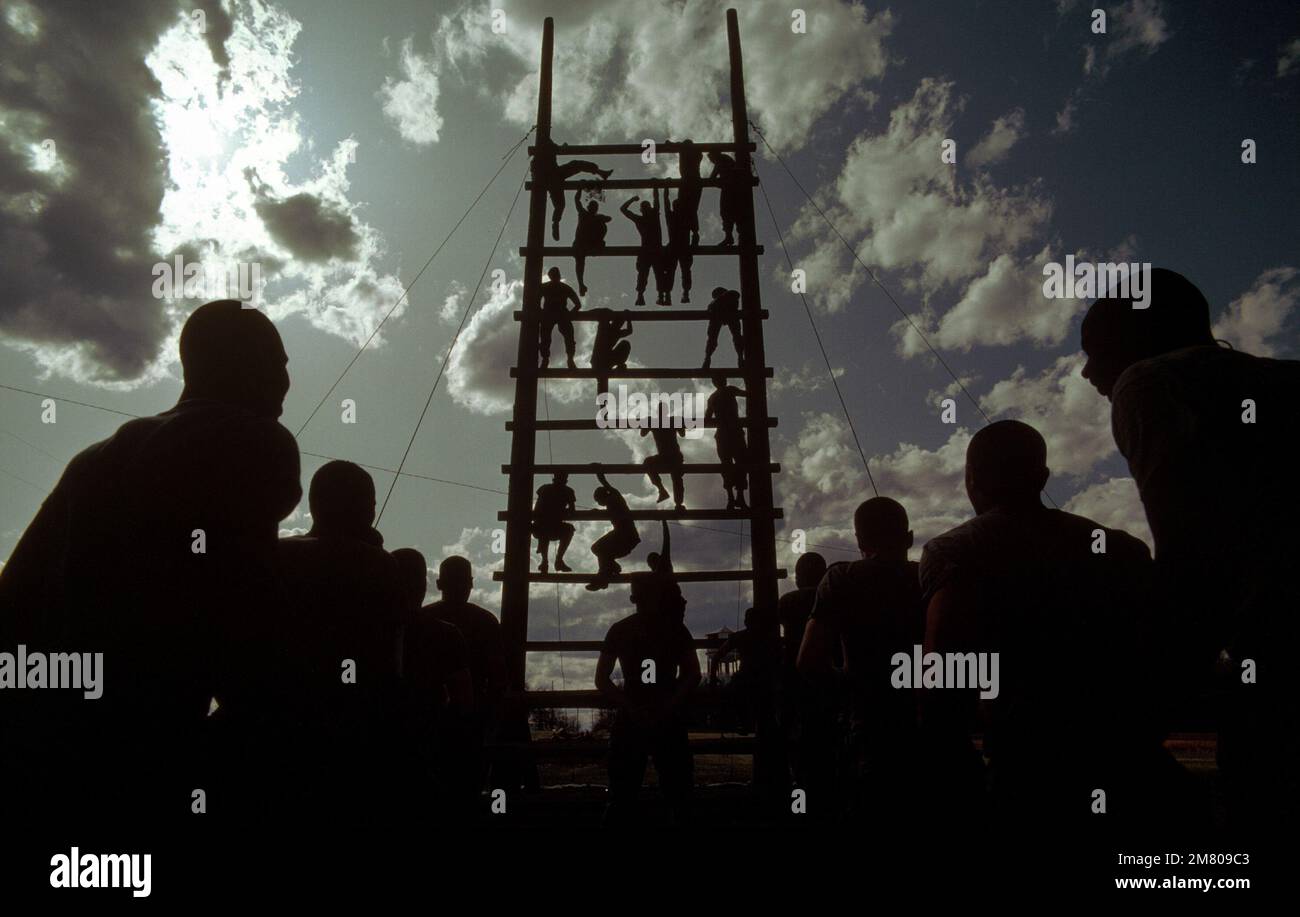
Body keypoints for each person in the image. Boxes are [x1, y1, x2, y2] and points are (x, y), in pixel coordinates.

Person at [0, 299, 301, 829]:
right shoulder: (254, 441)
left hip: (39, 749)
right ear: (237, 364)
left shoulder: (92, 460)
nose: (286, 383)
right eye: (277, 364)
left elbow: (14, 602)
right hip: (140, 753)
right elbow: (250, 622)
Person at [1081, 267, 1300, 831]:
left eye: (1094, 350)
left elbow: (1193, 571)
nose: (1086, 372)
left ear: (1138, 337)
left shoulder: (1150, 382)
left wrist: (1127, 728)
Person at [917, 421, 1186, 836]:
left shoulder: (955, 550)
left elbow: (943, 675)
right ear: (1042, 477)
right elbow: (1165, 656)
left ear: (970, 479)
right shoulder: (1124, 550)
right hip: (1134, 766)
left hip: (1028, 774)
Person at [277, 461, 407, 818]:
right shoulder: (378, 565)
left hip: (275, 728)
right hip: (354, 731)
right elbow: (389, 667)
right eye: (370, 503)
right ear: (363, 508)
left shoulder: (275, 555)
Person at [799, 500, 922, 821]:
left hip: (870, 730)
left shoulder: (841, 579)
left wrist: (852, 681)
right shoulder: (932, 577)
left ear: (859, 541)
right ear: (908, 538)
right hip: (932, 733)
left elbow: (809, 661)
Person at [595, 570, 701, 825]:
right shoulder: (676, 629)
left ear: (634, 598)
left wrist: (629, 707)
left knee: (621, 795)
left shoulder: (620, 629)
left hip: (632, 716)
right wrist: (669, 705)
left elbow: (601, 679)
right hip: (667, 715)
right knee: (679, 794)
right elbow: (693, 674)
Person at [391, 547, 472, 815]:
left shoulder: (360, 634)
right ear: (425, 585)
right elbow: (463, 701)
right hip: (433, 744)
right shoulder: (445, 634)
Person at [425, 556, 508, 795]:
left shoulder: (424, 619)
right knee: (467, 789)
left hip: (428, 717)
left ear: (439, 584)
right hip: (472, 719)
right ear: (472, 583)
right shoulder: (485, 621)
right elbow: (499, 678)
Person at [777, 552, 829, 794]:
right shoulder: (830, 597)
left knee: (796, 741)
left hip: (792, 676)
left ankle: (800, 794)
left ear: (798, 578)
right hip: (826, 675)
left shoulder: (788, 601)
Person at [531, 136, 612, 241]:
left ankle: (601, 172)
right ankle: (555, 223)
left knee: (576, 165)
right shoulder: (540, 154)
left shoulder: (546, 147)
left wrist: (562, 147)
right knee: (560, 204)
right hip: (552, 177)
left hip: (555, 175)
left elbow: (558, 149)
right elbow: (557, 151)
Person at [588, 471, 640, 591]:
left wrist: (598, 471)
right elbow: (606, 484)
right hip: (625, 535)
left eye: (597, 500)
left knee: (597, 548)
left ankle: (605, 575)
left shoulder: (613, 499)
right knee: (603, 552)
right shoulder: (614, 497)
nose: (599, 503)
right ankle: (608, 573)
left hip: (624, 535)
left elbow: (606, 484)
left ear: (601, 496)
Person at [705, 374, 749, 509]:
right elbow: (747, 394)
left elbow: (707, 417)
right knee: (741, 464)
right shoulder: (730, 390)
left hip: (722, 435)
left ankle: (731, 498)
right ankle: (739, 497)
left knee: (726, 467)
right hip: (735, 433)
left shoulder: (712, 397)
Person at [620, 188, 664, 306]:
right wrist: (655, 187)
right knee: (657, 273)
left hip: (646, 250)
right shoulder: (653, 216)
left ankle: (642, 296)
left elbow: (623, 209)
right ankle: (658, 295)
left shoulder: (640, 219)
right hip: (655, 249)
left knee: (645, 274)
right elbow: (657, 200)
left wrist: (632, 199)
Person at [640, 403, 686, 509]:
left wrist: (646, 421)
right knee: (677, 478)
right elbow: (683, 434)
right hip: (674, 456)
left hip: (665, 457)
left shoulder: (653, 421)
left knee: (648, 463)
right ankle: (677, 503)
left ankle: (662, 490)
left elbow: (642, 433)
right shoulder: (673, 420)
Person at [531, 472, 576, 574]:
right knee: (566, 529)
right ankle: (555, 560)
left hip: (542, 526)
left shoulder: (545, 488)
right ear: (565, 480)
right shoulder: (567, 491)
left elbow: (537, 507)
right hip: (546, 526)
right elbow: (572, 510)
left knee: (546, 529)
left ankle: (548, 561)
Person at [538, 267, 581, 370]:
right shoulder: (555, 287)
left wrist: (570, 314)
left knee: (567, 338)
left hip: (558, 314)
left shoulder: (559, 288)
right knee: (546, 338)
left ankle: (569, 360)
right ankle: (547, 360)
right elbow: (578, 305)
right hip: (553, 314)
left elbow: (578, 304)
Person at [572, 185, 611, 295]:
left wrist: (599, 218)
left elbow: (609, 219)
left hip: (590, 243)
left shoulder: (596, 218)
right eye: (592, 207)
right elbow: (576, 200)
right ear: (589, 208)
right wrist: (579, 188)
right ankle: (581, 284)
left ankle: (581, 284)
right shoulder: (583, 214)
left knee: (580, 262)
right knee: (580, 262)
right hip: (580, 243)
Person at [707, 150, 746, 246]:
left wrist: (718, 183)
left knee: (727, 213)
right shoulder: (725, 159)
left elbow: (712, 178)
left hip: (730, 190)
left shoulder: (721, 161)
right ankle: (736, 237)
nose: (712, 161)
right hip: (733, 189)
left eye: (711, 159)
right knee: (734, 213)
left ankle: (731, 237)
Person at [661, 187, 694, 304]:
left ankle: (670, 294)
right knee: (684, 271)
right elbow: (666, 202)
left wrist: (666, 187)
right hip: (682, 247)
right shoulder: (684, 217)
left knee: (672, 271)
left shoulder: (673, 216)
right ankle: (682, 294)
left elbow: (666, 202)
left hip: (676, 247)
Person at [590, 308, 633, 397]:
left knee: (625, 344)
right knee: (602, 382)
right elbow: (629, 331)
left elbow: (629, 331)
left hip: (602, 361)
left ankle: (603, 406)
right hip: (601, 361)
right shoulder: (607, 327)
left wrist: (628, 319)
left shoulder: (607, 327)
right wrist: (628, 319)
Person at [702, 287, 743, 369]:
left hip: (727, 314)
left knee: (736, 337)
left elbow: (735, 294)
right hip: (723, 315)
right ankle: (740, 358)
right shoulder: (718, 304)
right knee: (735, 337)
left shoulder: (722, 301)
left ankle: (740, 358)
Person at [677, 139, 703, 248]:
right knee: (691, 209)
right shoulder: (697, 153)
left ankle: (690, 234)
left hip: (688, 181)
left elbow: (677, 145)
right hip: (694, 182)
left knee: (686, 209)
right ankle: (692, 234)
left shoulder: (687, 151)